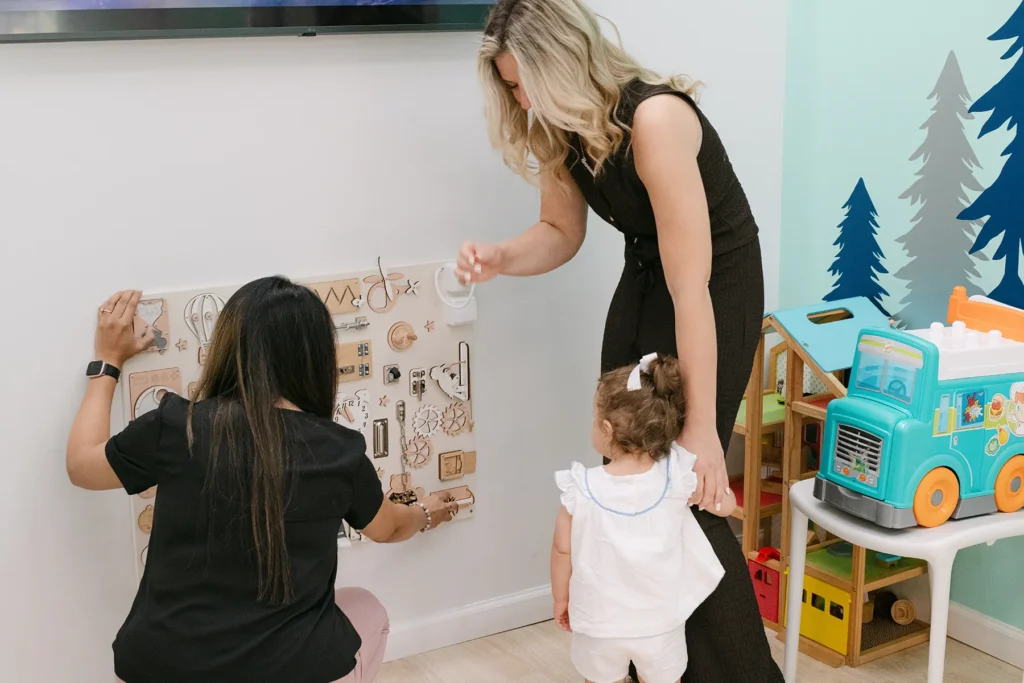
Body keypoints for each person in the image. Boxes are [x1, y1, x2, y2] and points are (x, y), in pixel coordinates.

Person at [460, 1, 782, 680]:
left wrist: (702, 430)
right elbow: (560, 231)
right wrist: (500, 257)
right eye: (511, 88)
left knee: (685, 484)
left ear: (563, 64)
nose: (521, 101)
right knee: (628, 473)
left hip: (712, 284)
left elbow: (691, 287)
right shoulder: (558, 128)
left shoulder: (655, 120)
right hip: (646, 273)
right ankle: (646, 657)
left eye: (525, 84)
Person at [65, 281, 460, 683]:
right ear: (318, 360)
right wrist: (426, 512)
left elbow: (81, 466)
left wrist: (108, 362)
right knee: (367, 609)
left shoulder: (178, 425)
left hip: (156, 669)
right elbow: (389, 527)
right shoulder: (340, 452)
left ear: (227, 348)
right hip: (289, 670)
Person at [552, 354, 735, 683]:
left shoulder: (580, 488)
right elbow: (726, 505)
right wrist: (711, 495)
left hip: (599, 624)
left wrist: (561, 599)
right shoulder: (675, 477)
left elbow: (562, 551)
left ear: (607, 430)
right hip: (660, 625)